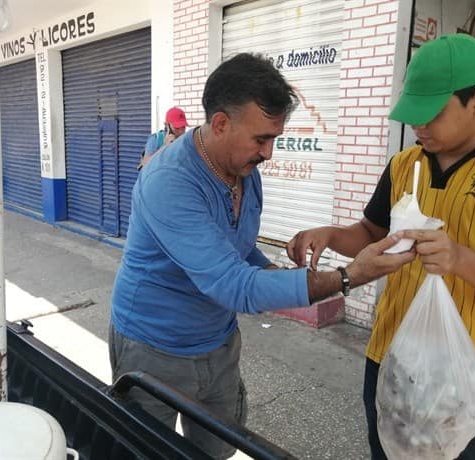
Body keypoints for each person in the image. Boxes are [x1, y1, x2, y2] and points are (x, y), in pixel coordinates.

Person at [110, 52, 414, 459]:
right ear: (220, 124)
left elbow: (235, 248)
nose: (269, 154)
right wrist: (348, 277)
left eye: (274, 139)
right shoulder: (169, 183)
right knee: (147, 452)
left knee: (216, 450)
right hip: (153, 348)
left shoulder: (242, 171)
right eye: (261, 139)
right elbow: (232, 284)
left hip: (217, 344)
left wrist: (271, 270)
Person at [286, 34, 475, 460]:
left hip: (468, 373)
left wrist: (460, 258)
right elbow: (370, 232)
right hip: (393, 357)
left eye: (432, 113)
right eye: (413, 114)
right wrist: (330, 234)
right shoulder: (404, 164)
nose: (419, 126)